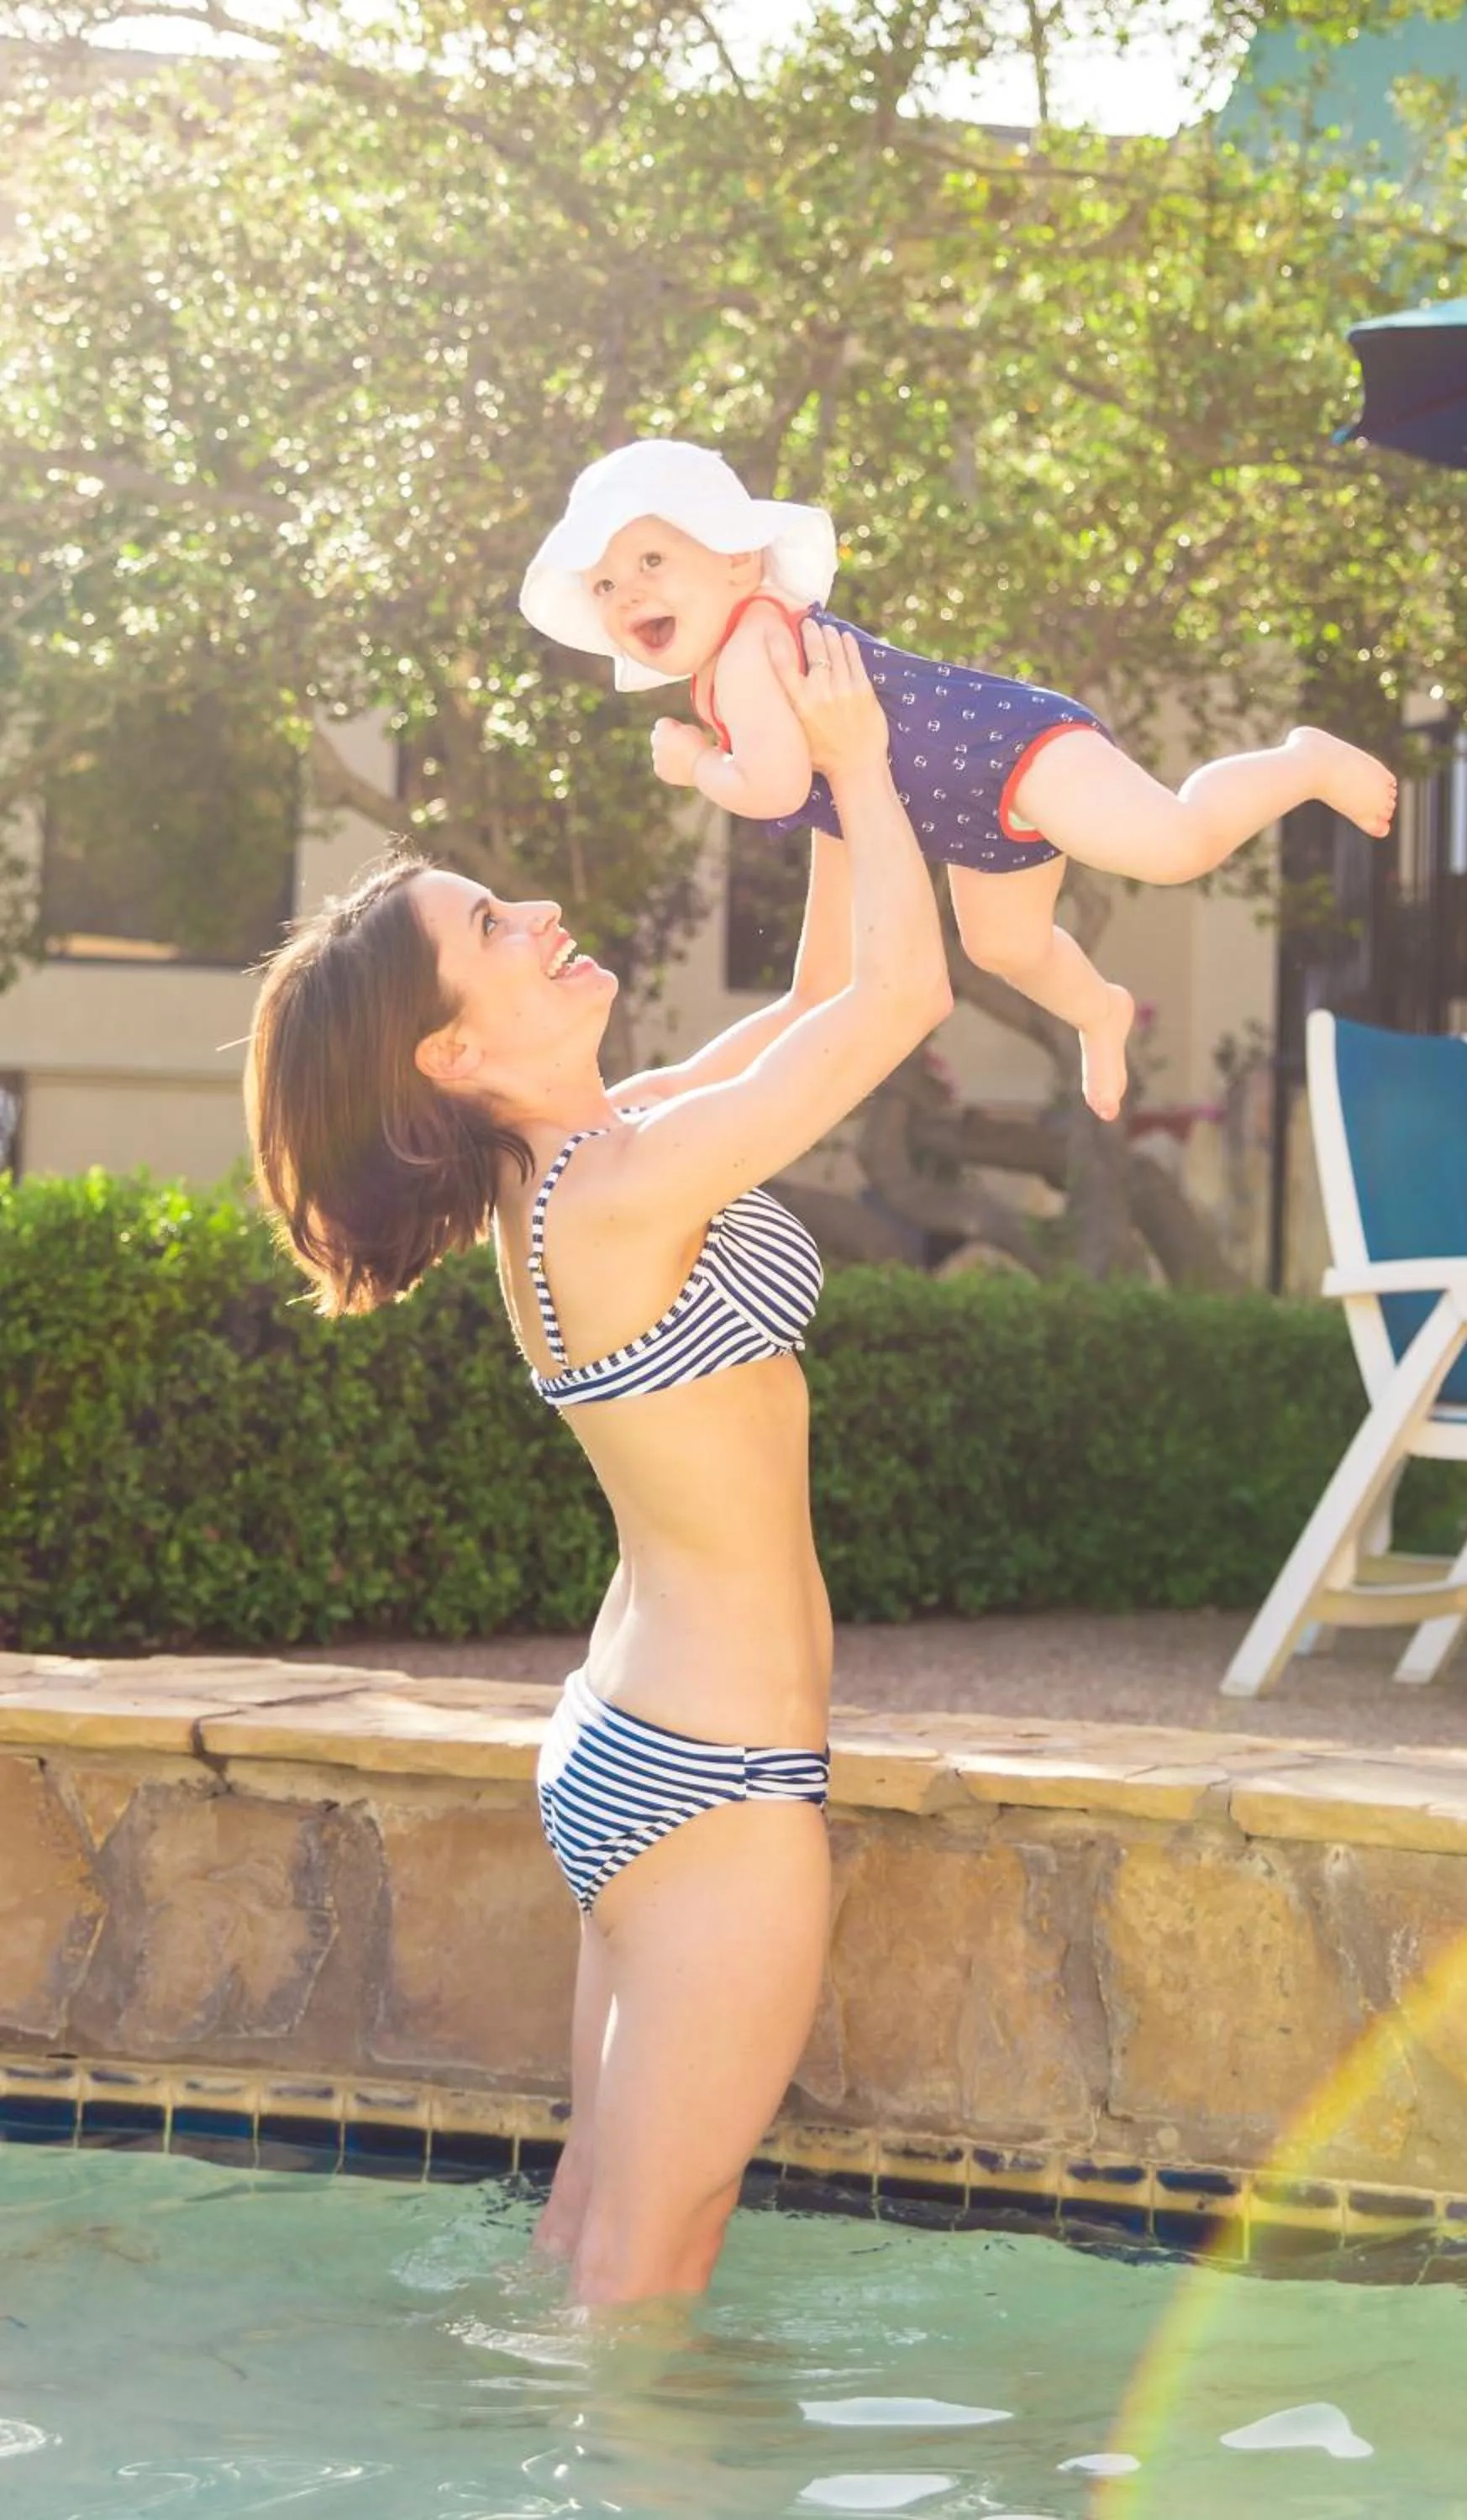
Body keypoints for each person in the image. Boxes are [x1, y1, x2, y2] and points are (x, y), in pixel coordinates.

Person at [244, 622, 951, 2308]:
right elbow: (905, 1002)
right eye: (494, 929)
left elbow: (813, 1001)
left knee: (595, 2245)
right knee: (643, 2277)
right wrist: (864, 757)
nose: (540, 916)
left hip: (640, 1749)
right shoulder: (612, 1195)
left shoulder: (597, 1156)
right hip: (713, 1789)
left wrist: (806, 755)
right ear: (453, 1055)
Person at [519, 437, 1398, 1124]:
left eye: (649, 562)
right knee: (1005, 947)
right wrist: (656, 1097)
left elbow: (778, 789)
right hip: (953, 815)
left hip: (1009, 748)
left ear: (738, 563)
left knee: (1170, 845)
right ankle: (1098, 1010)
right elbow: (817, 972)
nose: (626, 594)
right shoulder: (737, 674)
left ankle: (1300, 761)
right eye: (603, 583)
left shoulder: (750, 649)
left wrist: (695, 766)